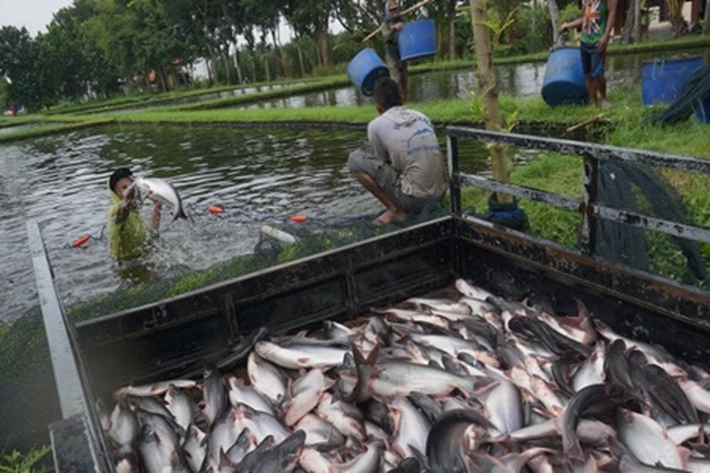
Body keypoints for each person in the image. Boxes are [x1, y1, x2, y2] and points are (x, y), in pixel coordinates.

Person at [347, 77, 447, 226]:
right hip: (440, 195)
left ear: (378, 107)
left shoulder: (376, 125)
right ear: (401, 98)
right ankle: (405, 202)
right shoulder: (422, 117)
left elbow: (380, 162)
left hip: (415, 200)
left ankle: (395, 209)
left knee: (354, 160)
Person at [559, 0, 618, 109]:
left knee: (598, 72)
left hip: (598, 41)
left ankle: (604, 99)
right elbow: (583, 18)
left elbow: (612, 13)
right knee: (588, 74)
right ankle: (593, 102)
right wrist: (568, 25)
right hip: (585, 40)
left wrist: (606, 35)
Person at [107, 167, 162, 261]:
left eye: (131, 185)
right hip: (127, 266)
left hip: (143, 259)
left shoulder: (134, 215)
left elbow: (152, 236)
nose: (130, 190)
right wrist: (126, 200)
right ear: (115, 195)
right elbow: (121, 210)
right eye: (124, 188)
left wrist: (158, 205)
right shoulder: (113, 212)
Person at [382, 0, 408, 103]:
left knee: (404, 80)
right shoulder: (385, 24)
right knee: (396, 79)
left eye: (396, 9)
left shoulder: (402, 21)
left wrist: (403, 26)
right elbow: (386, 37)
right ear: (388, 11)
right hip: (391, 55)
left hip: (403, 53)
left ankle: (403, 103)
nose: (394, 12)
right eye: (392, 10)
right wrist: (394, 29)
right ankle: (393, 104)